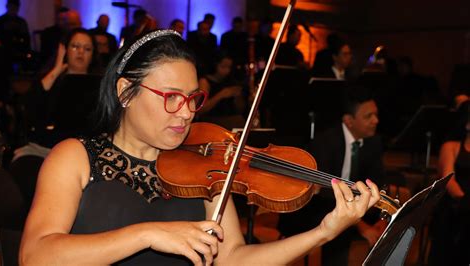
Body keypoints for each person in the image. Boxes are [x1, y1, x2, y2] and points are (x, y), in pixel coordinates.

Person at [19, 29, 381, 265]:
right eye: (171, 97)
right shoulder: (75, 157)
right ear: (125, 91)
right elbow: (34, 255)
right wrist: (148, 233)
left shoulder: (204, 166)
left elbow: (234, 259)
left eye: (193, 98)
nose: (186, 113)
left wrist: (323, 232)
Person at [278, 85, 386, 266]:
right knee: (339, 232)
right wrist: (360, 224)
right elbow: (324, 193)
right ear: (349, 120)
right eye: (368, 116)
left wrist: (382, 219)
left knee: (388, 229)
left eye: (376, 114)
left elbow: (379, 182)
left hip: (351, 205)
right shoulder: (325, 142)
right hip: (317, 206)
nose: (375, 120)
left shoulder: (373, 141)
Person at [428, 100, 470, 266]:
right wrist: (465, 202)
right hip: (456, 207)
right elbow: (448, 180)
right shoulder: (451, 146)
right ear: (467, 123)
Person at [197, 52, 246, 129]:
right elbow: (201, 110)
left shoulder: (230, 81)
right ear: (215, 65)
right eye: (223, 67)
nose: (227, 71)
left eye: (229, 67)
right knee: (238, 121)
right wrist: (221, 95)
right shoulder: (204, 81)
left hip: (230, 120)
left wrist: (238, 97)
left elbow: (240, 109)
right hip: (211, 122)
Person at [0, 0, 30, 70]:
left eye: (15, 8)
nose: (13, 9)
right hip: (3, 49)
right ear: (7, 7)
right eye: (11, 7)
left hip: (18, 49)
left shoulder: (21, 22)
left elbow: (26, 38)